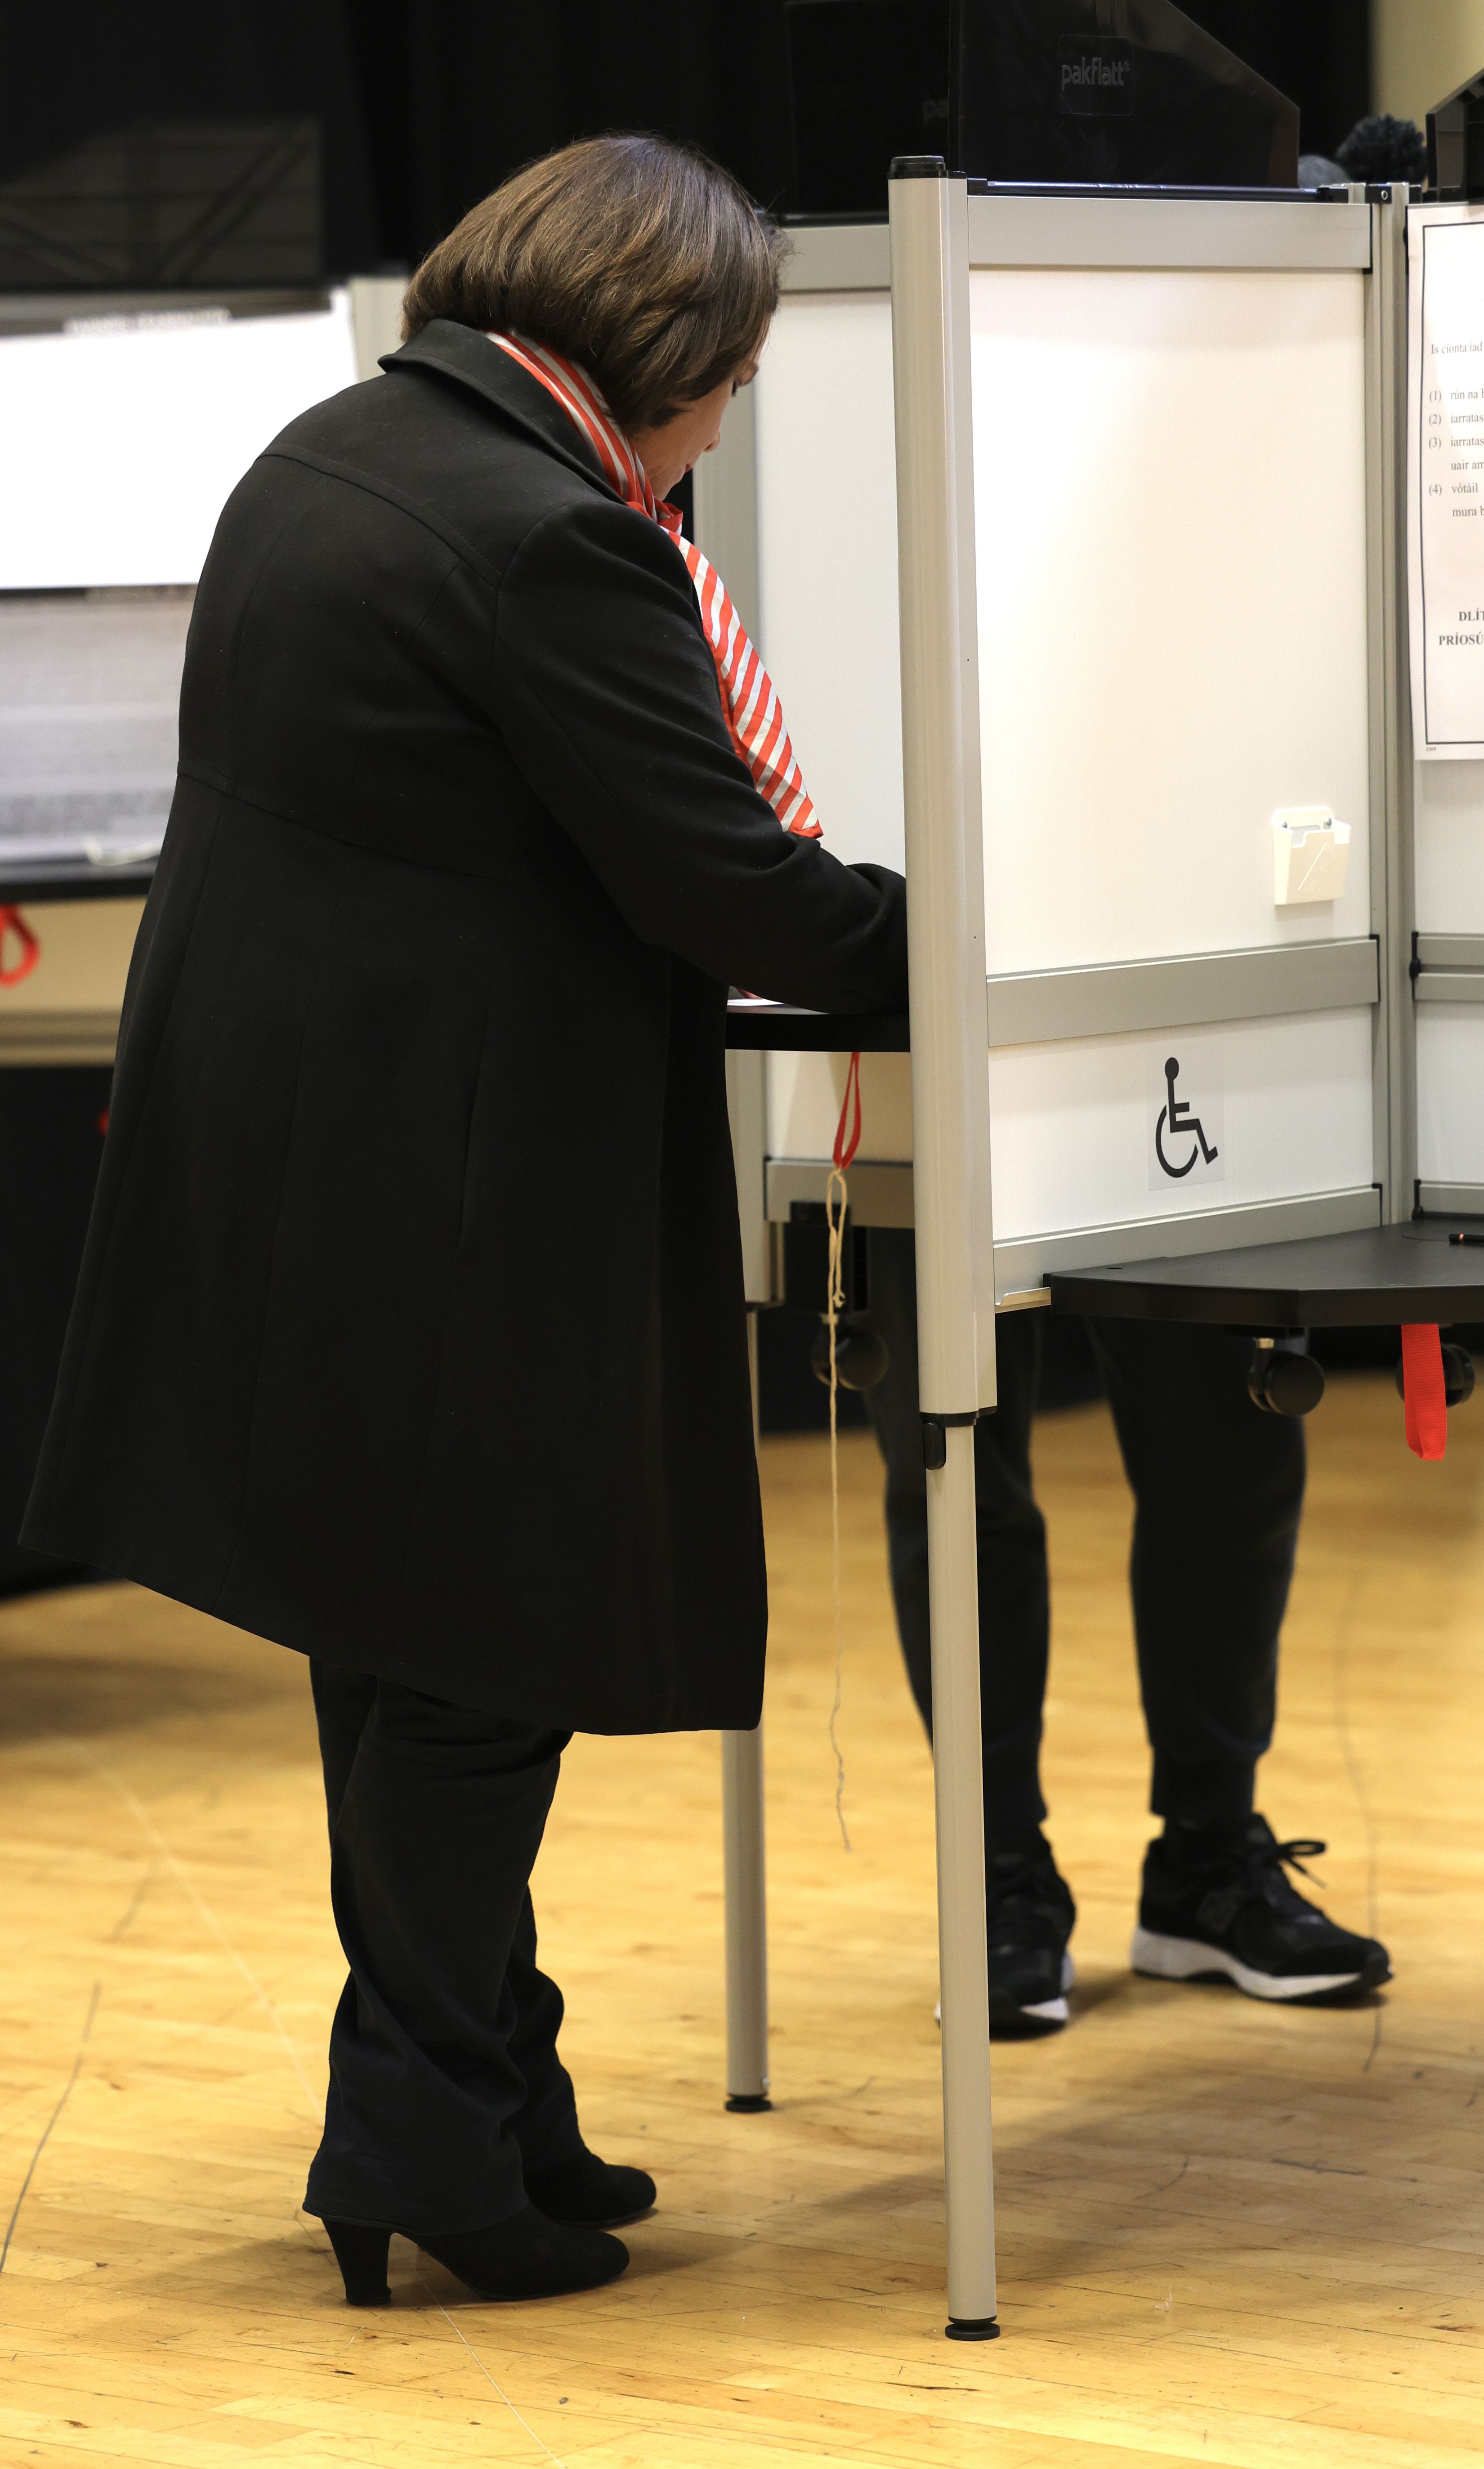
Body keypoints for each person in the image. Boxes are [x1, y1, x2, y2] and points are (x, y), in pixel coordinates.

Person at [22, 137, 907, 2306]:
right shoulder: (550, 544)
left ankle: (493, 2093)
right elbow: (729, 888)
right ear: (666, 351)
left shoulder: (334, 450)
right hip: (454, 1178)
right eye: (734, 380)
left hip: (284, 1152)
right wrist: (982, 941)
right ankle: (419, 2137)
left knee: (396, 1638)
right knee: (479, 1667)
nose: (728, 428)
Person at [863, 1243, 1391, 2035]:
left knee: (1233, 1442)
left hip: (1183, 1124)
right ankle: (1000, 1869)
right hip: (931, 1130)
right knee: (953, 1469)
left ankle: (1205, 1861)